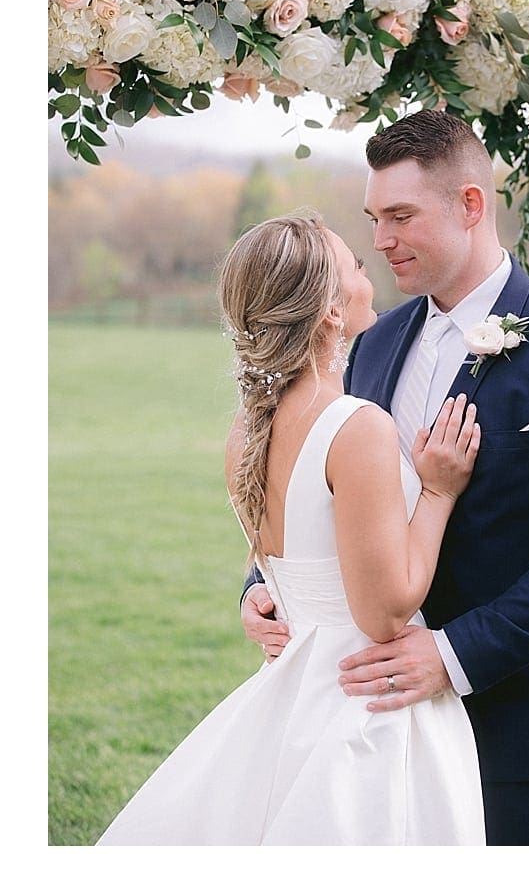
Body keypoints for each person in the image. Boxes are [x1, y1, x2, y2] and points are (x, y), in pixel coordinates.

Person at [240, 110, 529, 845]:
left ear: (469, 205)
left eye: (399, 215)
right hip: (375, 735)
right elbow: (325, 493)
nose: (380, 240)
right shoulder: (374, 341)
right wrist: (266, 589)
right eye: (372, 218)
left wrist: (451, 656)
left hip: (522, 735)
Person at [100, 213, 485, 844]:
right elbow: (385, 613)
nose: (370, 271)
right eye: (356, 267)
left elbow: (295, 562)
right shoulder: (356, 428)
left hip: (291, 689)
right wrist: (438, 491)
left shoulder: (246, 432)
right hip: (364, 702)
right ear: (332, 312)